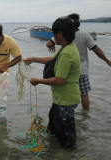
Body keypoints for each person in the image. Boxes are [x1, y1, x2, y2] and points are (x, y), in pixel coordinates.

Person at [24, 18, 80, 149]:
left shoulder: (67, 53)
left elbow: (60, 80)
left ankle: (68, 154)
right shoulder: (66, 48)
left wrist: (38, 81)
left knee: (67, 135)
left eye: (54, 34)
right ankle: (54, 151)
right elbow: (52, 59)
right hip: (60, 99)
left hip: (66, 99)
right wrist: (34, 59)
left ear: (60, 34)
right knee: (54, 127)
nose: (53, 37)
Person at [46, 13, 111, 110]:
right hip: (82, 70)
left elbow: (48, 44)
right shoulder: (84, 34)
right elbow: (96, 50)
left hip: (67, 70)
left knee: (67, 93)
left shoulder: (62, 34)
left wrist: (52, 44)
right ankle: (85, 115)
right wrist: (107, 61)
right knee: (84, 94)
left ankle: (70, 112)